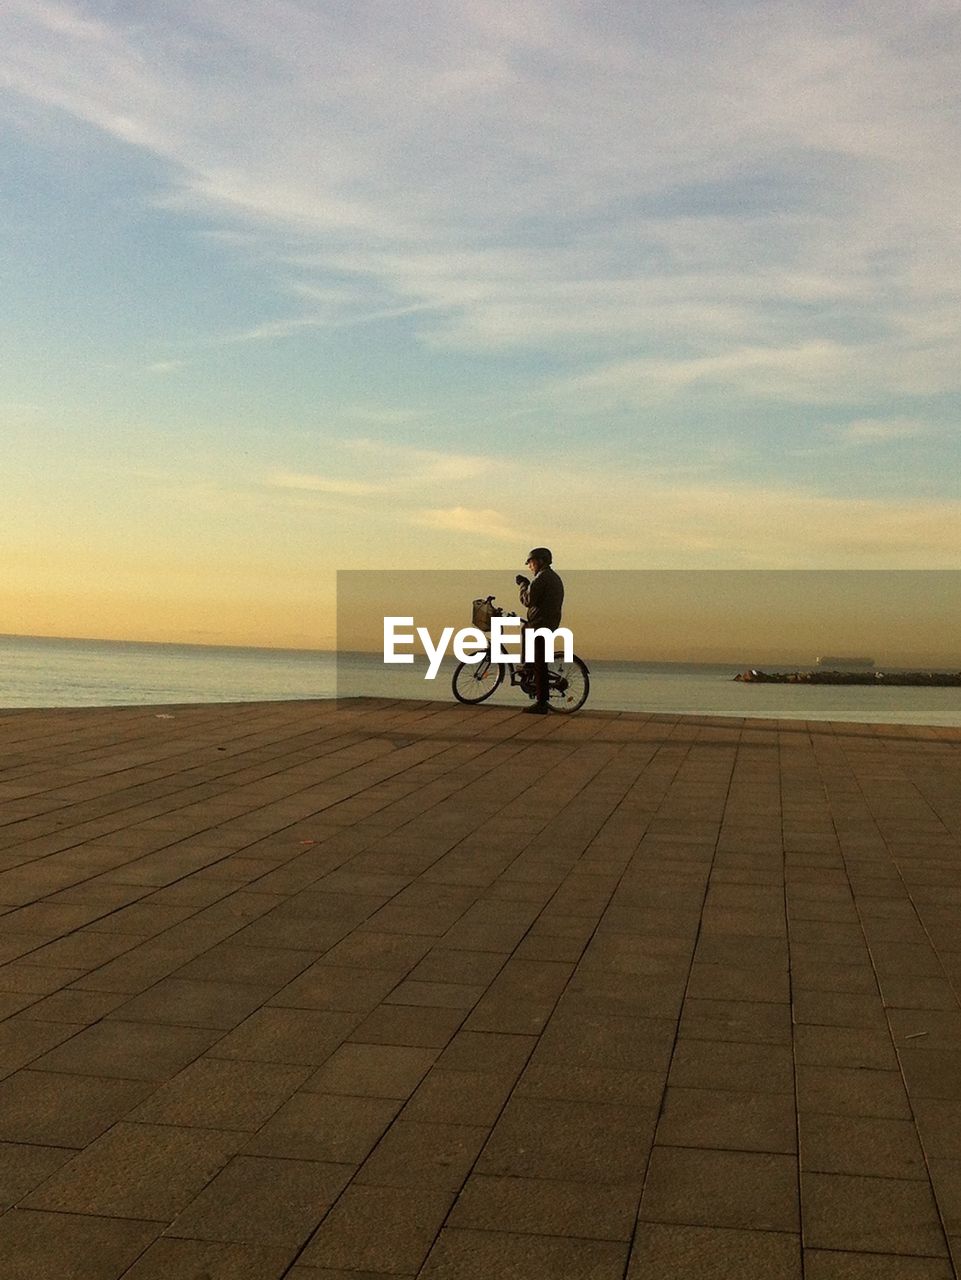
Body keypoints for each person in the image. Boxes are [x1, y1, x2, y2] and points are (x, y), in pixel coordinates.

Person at [516, 547, 564, 714]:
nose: (530, 566)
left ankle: (542, 702)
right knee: (525, 631)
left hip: (541, 624)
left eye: (531, 562)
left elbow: (528, 600)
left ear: (540, 561)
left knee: (540, 663)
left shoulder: (541, 578)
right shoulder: (552, 577)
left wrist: (523, 585)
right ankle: (527, 668)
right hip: (546, 622)